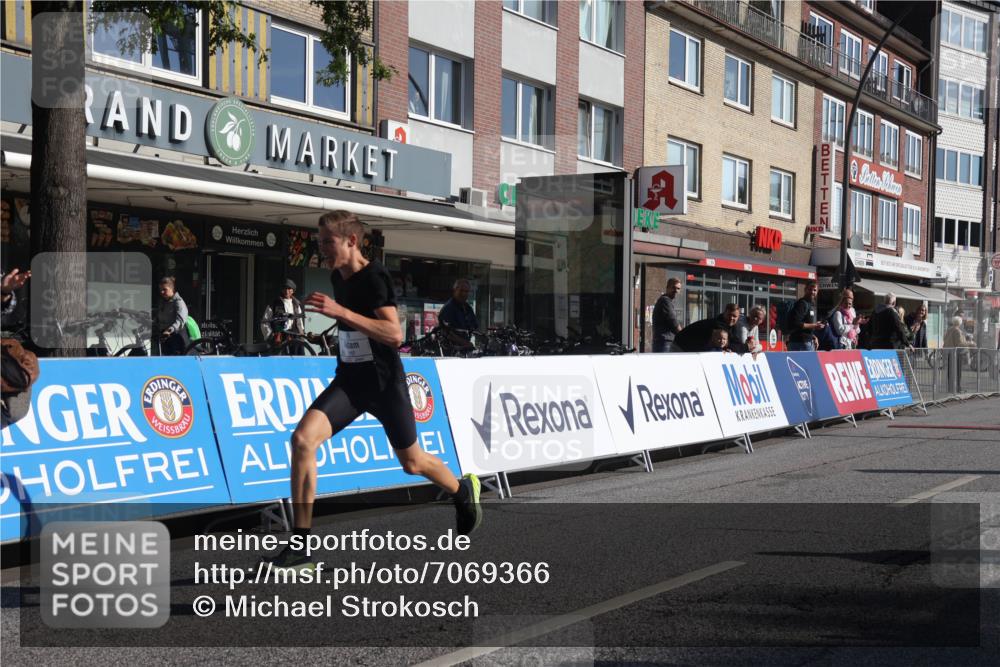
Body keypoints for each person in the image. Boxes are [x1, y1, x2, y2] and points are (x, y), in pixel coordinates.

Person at [267, 211, 482, 570]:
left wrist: (340, 312)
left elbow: (394, 334)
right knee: (303, 440)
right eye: (319, 242)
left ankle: (463, 491)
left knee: (412, 463)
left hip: (384, 385)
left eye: (326, 242)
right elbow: (351, 325)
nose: (320, 249)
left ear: (351, 241)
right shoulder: (338, 275)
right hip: (351, 382)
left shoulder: (375, 276)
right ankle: (301, 545)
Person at [675, 303, 744, 353]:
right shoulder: (718, 325)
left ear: (738, 317)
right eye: (729, 315)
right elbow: (727, 344)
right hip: (680, 346)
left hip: (691, 349)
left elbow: (735, 343)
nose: (731, 318)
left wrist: (745, 347)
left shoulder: (732, 327)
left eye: (734, 316)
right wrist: (746, 347)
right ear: (724, 314)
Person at [438, 278, 480, 348]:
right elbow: (446, 332)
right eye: (461, 291)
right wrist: (465, 343)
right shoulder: (448, 308)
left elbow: (474, 326)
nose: (464, 294)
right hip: (450, 350)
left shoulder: (468, 308)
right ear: (455, 290)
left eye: (466, 291)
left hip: (464, 348)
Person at [786, 281, 826, 351]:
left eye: (814, 290)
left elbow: (804, 328)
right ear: (805, 290)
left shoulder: (811, 304)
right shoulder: (802, 304)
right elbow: (796, 323)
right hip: (799, 344)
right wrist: (815, 325)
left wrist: (813, 337)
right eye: (810, 289)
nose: (812, 292)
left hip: (807, 342)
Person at [156, 276, 189, 355]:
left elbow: (180, 321)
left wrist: (169, 330)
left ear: (172, 289)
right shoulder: (163, 303)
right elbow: (159, 319)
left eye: (165, 289)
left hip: (177, 339)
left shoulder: (178, 302)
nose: (162, 292)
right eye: (161, 290)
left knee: (176, 364)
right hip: (166, 339)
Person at [651, 277, 682, 352]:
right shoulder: (665, 301)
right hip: (665, 343)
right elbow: (673, 322)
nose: (676, 291)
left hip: (662, 342)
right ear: (667, 288)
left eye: (678, 289)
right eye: (673, 288)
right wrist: (683, 335)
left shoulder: (666, 301)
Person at [944, 316, 973, 393]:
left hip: (949, 353)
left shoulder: (949, 330)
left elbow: (945, 339)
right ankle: (957, 388)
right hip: (956, 354)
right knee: (957, 372)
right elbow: (959, 343)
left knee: (950, 372)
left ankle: (950, 388)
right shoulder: (957, 331)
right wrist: (970, 343)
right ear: (960, 323)